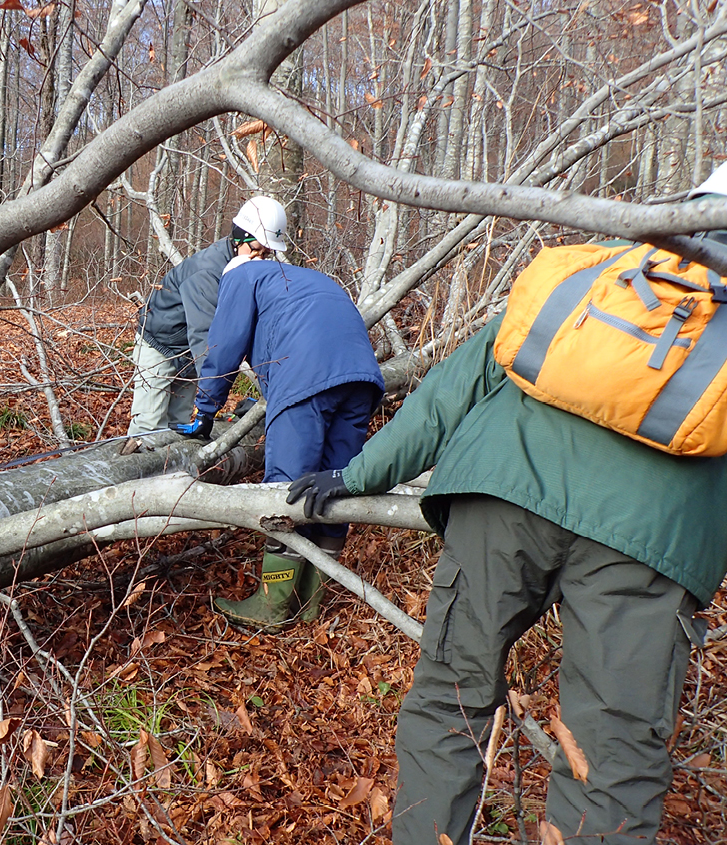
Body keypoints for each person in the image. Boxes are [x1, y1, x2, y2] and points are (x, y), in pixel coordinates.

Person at [285, 167, 727, 844]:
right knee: (612, 756)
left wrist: (356, 474)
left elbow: (456, 384)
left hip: (502, 499)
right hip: (648, 543)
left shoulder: (598, 270)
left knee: (449, 698)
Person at [176, 245, 383, 631]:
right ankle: (310, 601)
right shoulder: (305, 279)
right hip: (361, 379)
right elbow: (303, 332)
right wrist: (268, 397)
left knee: (285, 488)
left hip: (306, 376)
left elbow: (225, 346)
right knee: (332, 484)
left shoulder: (240, 275)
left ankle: (272, 604)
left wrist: (205, 411)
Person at [128, 197, 289, 436]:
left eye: (267, 253)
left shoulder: (244, 270)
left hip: (190, 355)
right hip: (160, 346)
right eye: (256, 250)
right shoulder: (208, 273)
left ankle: (174, 473)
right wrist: (210, 405)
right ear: (238, 238)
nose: (260, 260)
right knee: (149, 429)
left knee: (178, 426)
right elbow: (206, 338)